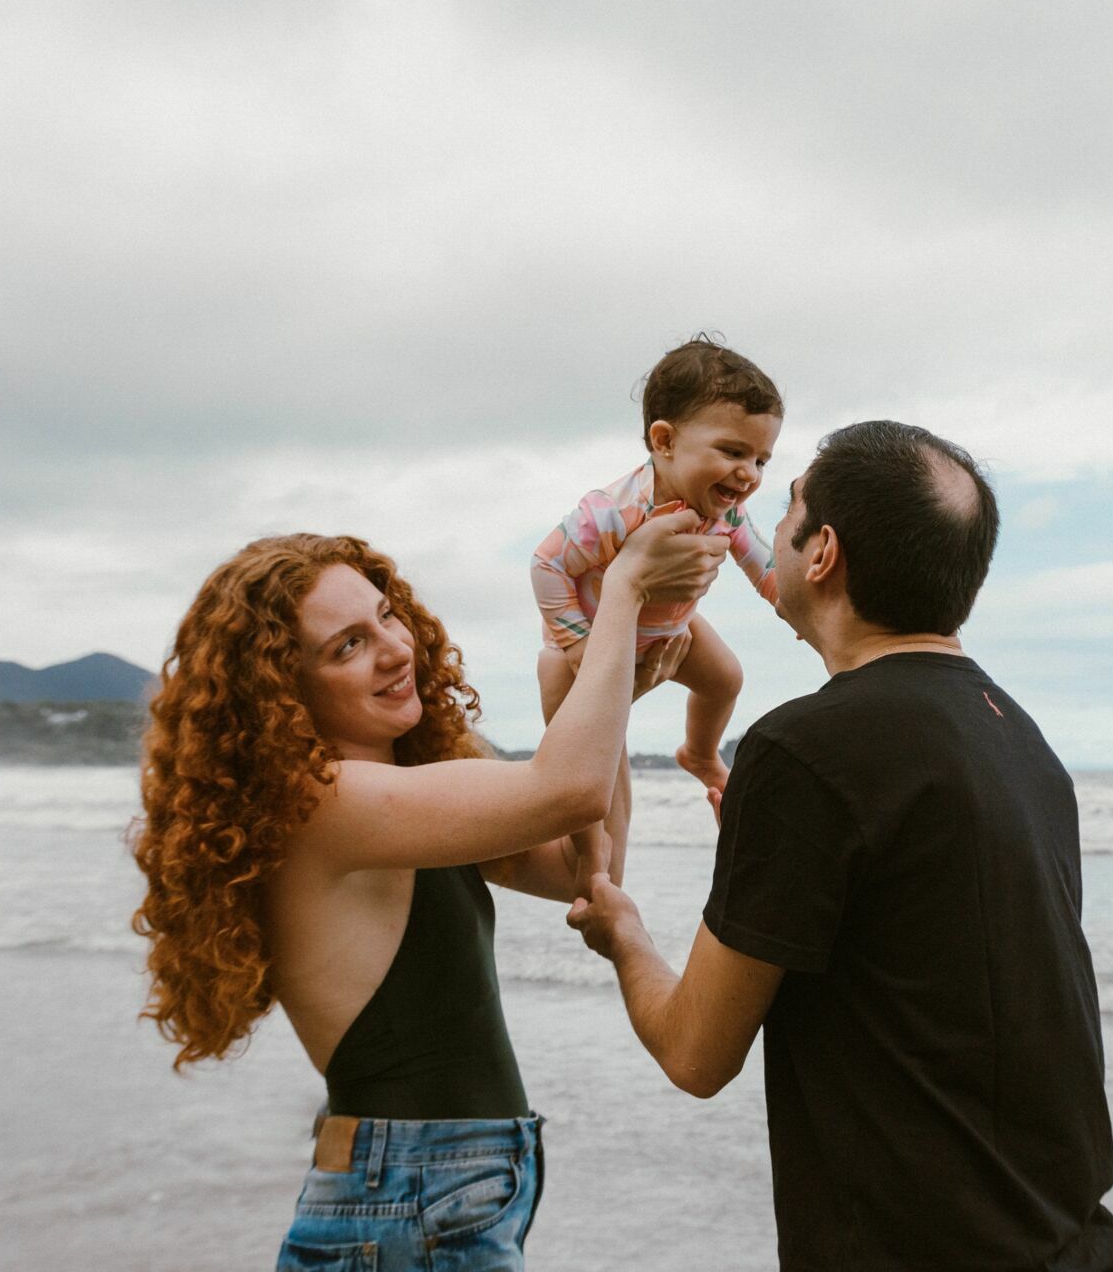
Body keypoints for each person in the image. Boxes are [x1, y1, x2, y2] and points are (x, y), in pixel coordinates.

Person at [567, 420, 1113, 1271]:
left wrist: (623, 932)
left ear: (822, 551)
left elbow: (695, 1053)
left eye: (789, 504)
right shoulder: (1022, 740)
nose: (768, 517)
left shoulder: (806, 749)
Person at [130, 520, 725, 1272]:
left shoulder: (402, 795)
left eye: (385, 614)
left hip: (423, 1190)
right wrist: (624, 595)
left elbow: (583, 866)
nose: (394, 648)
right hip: (409, 1192)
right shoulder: (322, 806)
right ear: (284, 688)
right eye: (347, 645)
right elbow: (567, 789)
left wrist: (604, 694)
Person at [531, 335, 783, 884]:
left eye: (761, 459)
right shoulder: (614, 512)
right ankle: (593, 861)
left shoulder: (728, 514)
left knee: (726, 679)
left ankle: (698, 752)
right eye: (733, 452)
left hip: (674, 630)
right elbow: (547, 565)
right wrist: (577, 644)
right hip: (587, 649)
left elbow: (765, 566)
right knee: (589, 776)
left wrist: (796, 610)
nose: (749, 474)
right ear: (664, 441)